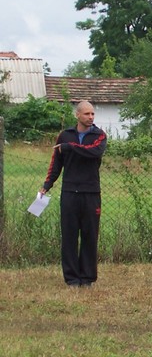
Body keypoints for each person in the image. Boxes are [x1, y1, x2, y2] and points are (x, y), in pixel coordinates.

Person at [41, 101, 107, 287]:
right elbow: (56, 163)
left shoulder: (99, 135)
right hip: (69, 192)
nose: (91, 117)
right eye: (87, 114)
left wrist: (70, 147)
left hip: (91, 192)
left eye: (93, 114)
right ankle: (72, 279)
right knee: (69, 236)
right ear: (77, 115)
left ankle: (87, 278)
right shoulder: (64, 135)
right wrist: (47, 185)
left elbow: (94, 152)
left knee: (89, 235)